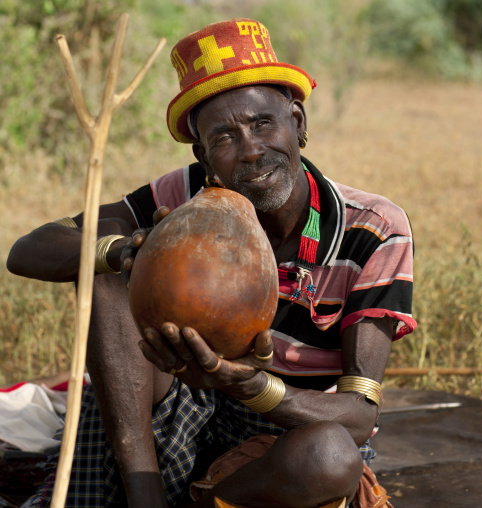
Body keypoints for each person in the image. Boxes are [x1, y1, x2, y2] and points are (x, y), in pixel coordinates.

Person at [7, 18, 416, 508]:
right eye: (224, 138)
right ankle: (146, 494)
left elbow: (358, 417)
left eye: (263, 123)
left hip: (289, 421)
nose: (251, 151)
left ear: (298, 122)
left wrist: (252, 385)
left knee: (329, 455)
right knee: (110, 277)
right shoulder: (183, 197)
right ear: (203, 155)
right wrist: (124, 250)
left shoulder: (373, 230)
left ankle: (210, 501)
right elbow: (27, 250)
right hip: (179, 402)